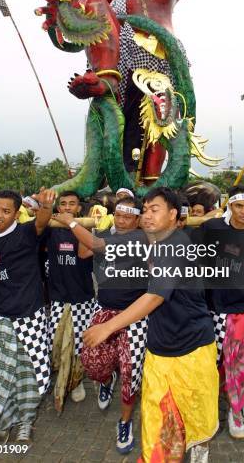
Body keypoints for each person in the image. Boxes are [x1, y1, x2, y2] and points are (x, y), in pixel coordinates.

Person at [83, 187, 218, 463]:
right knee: (159, 423)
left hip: (190, 349)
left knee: (193, 414)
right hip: (159, 347)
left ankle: (198, 449)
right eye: (144, 210)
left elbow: (155, 295)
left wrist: (108, 327)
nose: (147, 215)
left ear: (173, 215)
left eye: (154, 209)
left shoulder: (175, 245)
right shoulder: (154, 243)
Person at [58, 196, 147, 454]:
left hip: (134, 315)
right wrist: (102, 227)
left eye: (127, 217)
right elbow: (84, 251)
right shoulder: (111, 231)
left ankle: (125, 421)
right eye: (117, 214)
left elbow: (95, 245)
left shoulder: (141, 238)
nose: (121, 220)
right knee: (92, 363)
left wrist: (72, 223)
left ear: (138, 220)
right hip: (104, 309)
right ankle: (107, 379)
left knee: (132, 374)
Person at [0, 188, 55, 445]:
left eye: (6, 211)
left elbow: (41, 221)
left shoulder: (25, 233)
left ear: (16, 213)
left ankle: (25, 423)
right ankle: (1, 420)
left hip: (27, 318)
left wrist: (45, 205)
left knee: (27, 375)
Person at [194, 185, 244, 439]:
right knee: (222, 361)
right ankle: (229, 409)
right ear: (229, 206)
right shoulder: (213, 228)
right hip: (217, 309)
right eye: (238, 206)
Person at [44, 191, 96, 413]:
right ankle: (59, 378)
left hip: (81, 298)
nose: (66, 207)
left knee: (78, 345)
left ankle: (74, 383)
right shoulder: (50, 230)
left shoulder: (86, 229)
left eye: (72, 204)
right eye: (63, 204)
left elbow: (85, 254)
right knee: (56, 344)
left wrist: (74, 225)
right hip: (57, 297)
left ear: (78, 208)